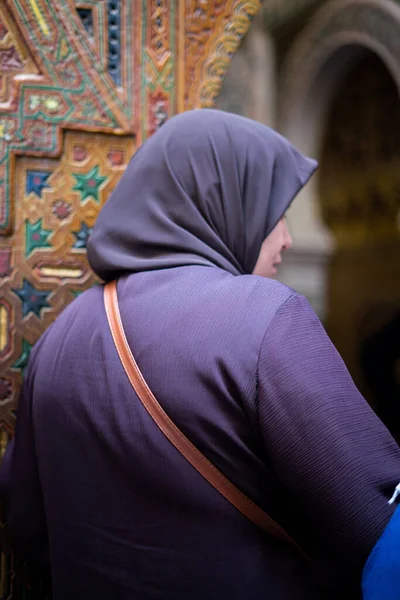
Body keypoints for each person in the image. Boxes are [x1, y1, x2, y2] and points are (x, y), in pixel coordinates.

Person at [1, 109, 399, 599]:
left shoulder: (56, 340)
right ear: (221, 201)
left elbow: (26, 524)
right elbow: (376, 521)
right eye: (274, 210)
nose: (287, 239)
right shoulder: (262, 315)